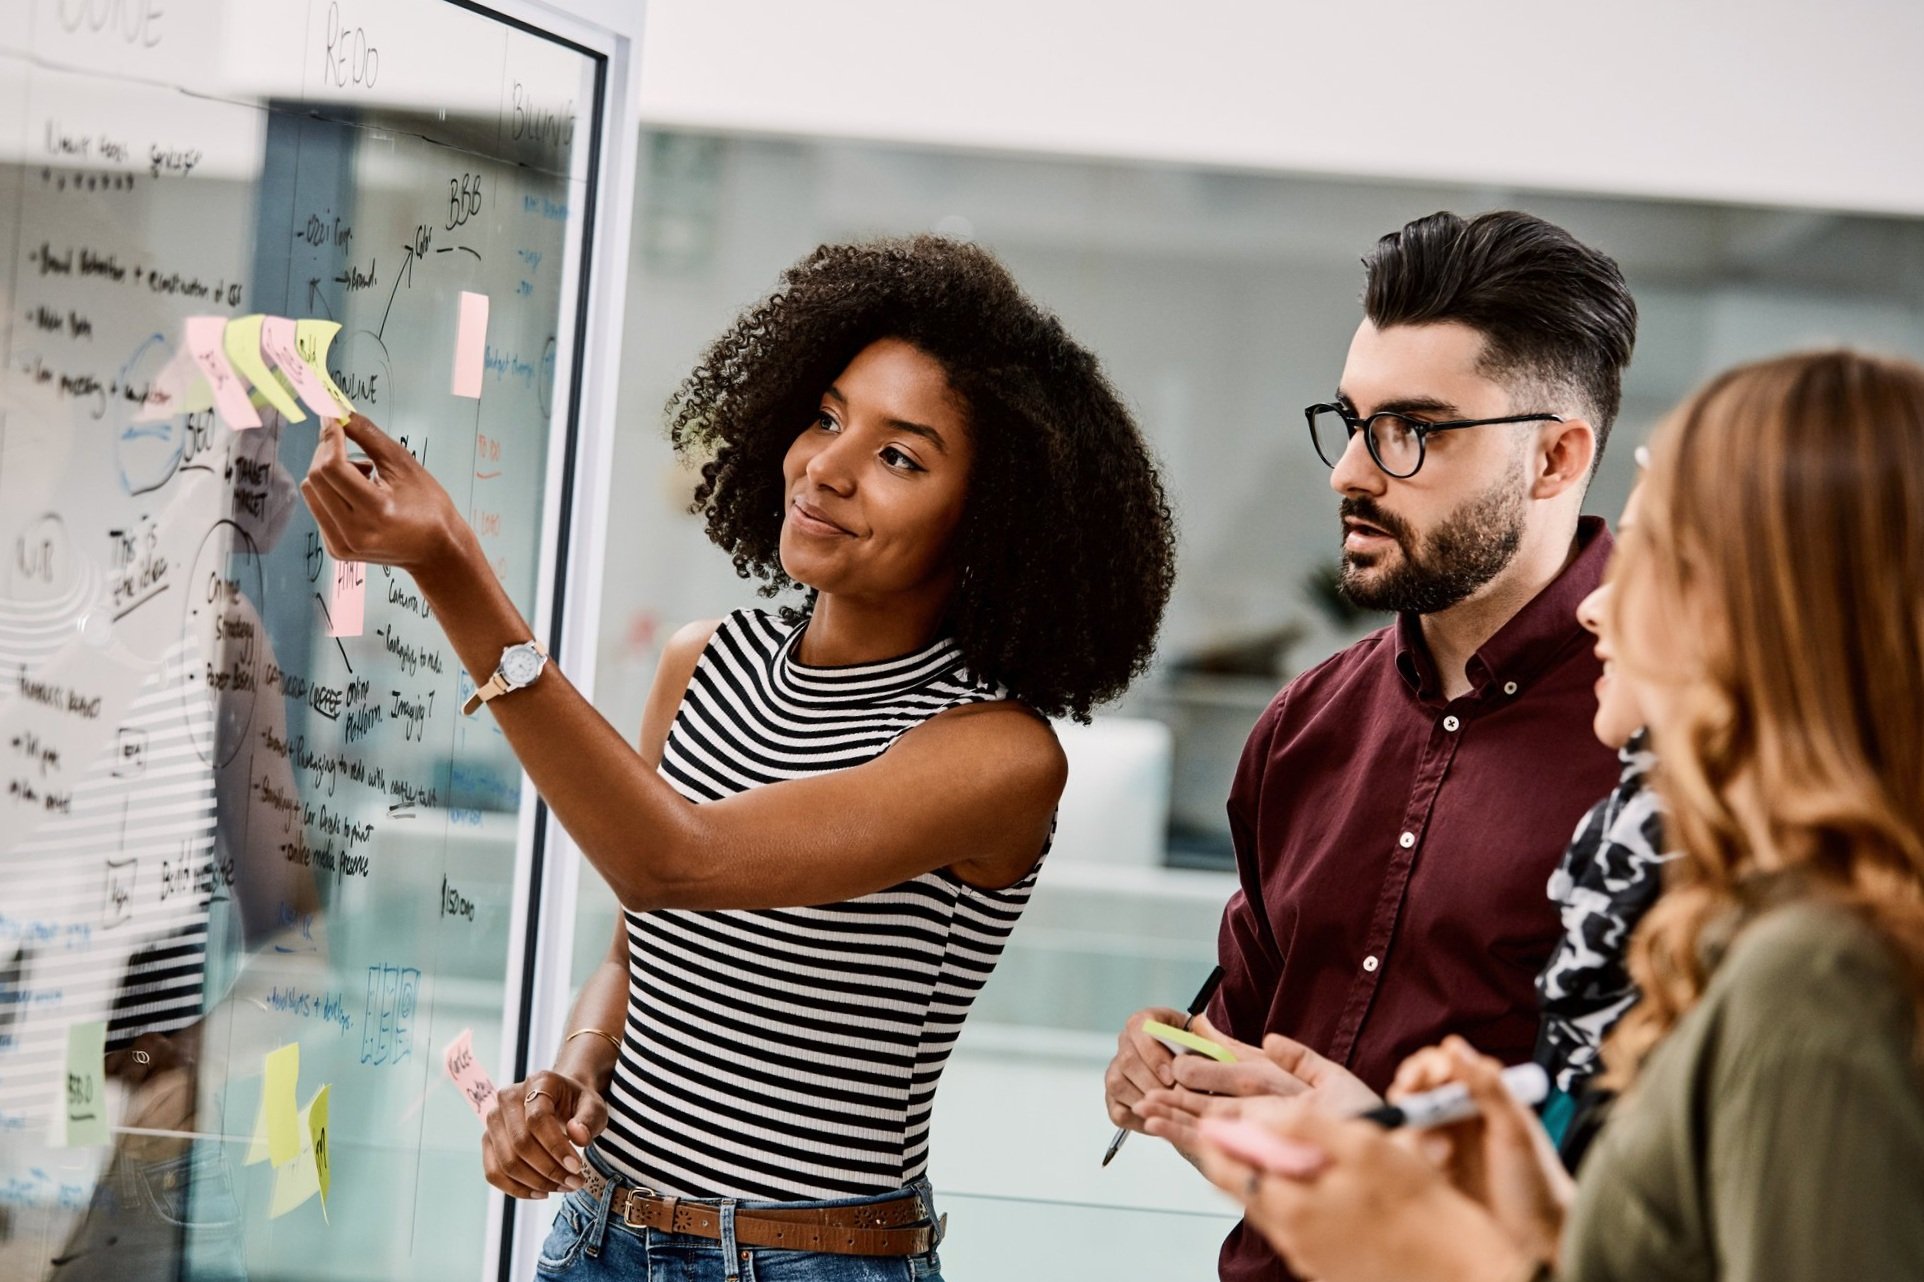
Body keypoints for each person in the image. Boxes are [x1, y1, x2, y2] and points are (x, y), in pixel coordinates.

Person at [300, 236, 1177, 1279]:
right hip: (600, 1238)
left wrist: (449, 566)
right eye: (827, 416)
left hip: (807, 1261)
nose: (827, 467)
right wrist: (572, 1077)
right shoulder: (704, 661)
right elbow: (644, 940)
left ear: (989, 522)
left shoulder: (994, 754)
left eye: (899, 456)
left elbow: (675, 860)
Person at [1188, 348, 1924, 1282]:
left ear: (1786, 621)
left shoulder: (1819, 974)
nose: (1601, 605)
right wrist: (1541, 1220)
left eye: (1659, 558)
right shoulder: (1785, 932)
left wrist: (1433, 1254)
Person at [1104, 209, 1637, 1282]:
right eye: (1350, 421)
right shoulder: (1305, 726)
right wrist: (1176, 1054)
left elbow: (1686, 1166)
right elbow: (1248, 1017)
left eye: (1412, 429)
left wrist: (1387, 1138)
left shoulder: (1672, 738)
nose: (1350, 469)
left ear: (1554, 458)